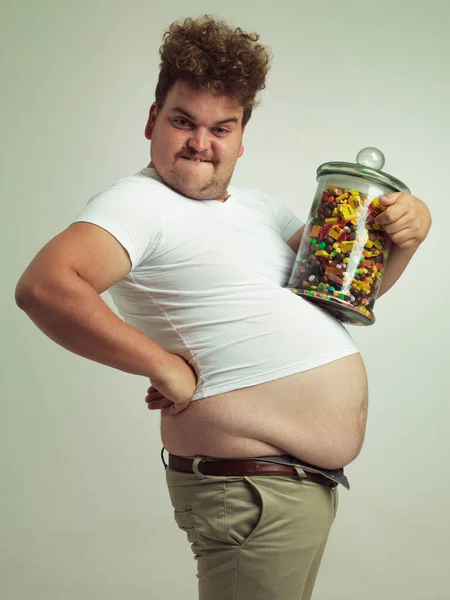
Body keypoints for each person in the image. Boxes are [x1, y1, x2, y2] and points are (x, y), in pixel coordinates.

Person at [15, 15, 431, 600]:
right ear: (151, 121)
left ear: (241, 136)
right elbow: (45, 286)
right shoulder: (139, 202)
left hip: (289, 490)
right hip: (250, 494)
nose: (200, 144)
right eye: (182, 121)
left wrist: (409, 236)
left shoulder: (260, 209)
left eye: (221, 128)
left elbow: (339, 298)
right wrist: (161, 365)